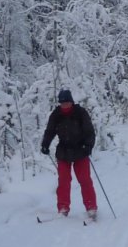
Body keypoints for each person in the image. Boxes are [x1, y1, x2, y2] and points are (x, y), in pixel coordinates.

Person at [40, 88, 98, 219]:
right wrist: (45, 144)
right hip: (63, 151)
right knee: (64, 181)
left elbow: (89, 131)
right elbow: (49, 131)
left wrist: (88, 146)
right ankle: (63, 208)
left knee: (85, 180)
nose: (64, 105)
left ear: (71, 101)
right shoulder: (56, 114)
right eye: (62, 103)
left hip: (80, 150)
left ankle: (91, 207)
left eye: (66, 102)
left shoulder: (80, 113)